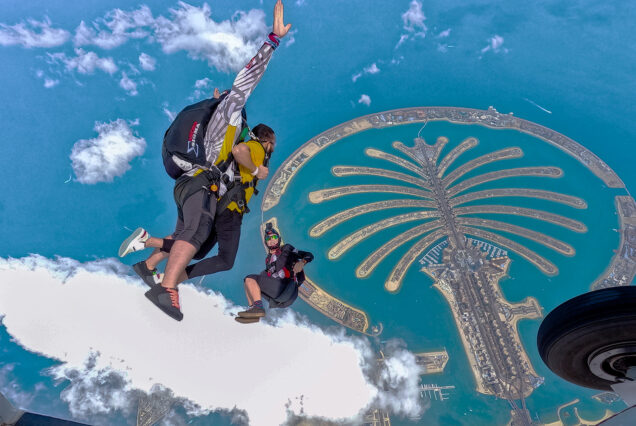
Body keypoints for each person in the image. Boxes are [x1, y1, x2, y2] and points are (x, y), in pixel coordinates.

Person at [118, 0, 291, 321]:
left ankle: (149, 264)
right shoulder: (231, 113)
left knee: (192, 239)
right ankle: (166, 288)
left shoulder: (221, 128)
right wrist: (273, 41)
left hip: (189, 182)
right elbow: (246, 80)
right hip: (199, 182)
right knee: (195, 235)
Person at [235, 223, 314, 324]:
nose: (272, 240)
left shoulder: (287, 249)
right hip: (281, 298)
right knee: (247, 282)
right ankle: (253, 312)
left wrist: (302, 262)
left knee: (250, 279)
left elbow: (309, 255)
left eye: (274, 237)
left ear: (279, 239)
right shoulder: (268, 260)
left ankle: (258, 308)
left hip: (286, 288)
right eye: (269, 239)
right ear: (266, 242)